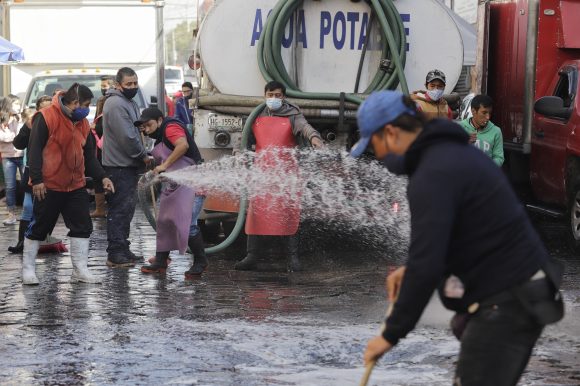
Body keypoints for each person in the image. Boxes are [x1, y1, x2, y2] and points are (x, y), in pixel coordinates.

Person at [355, 91, 564, 386]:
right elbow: (457, 238)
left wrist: (390, 335)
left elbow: (427, 263)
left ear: (390, 132)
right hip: (516, 293)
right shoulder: (450, 155)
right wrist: (410, 270)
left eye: (373, 144)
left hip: (509, 300)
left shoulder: (433, 171)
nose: (376, 155)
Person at [23, 83, 115, 285]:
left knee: (82, 226)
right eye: (86, 105)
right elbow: (34, 150)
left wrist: (102, 177)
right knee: (39, 226)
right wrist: (37, 179)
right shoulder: (46, 117)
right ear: (75, 103)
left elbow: (89, 156)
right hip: (48, 184)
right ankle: (28, 269)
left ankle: (80, 270)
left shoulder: (82, 123)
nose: (87, 109)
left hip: (75, 185)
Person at [234, 80, 324, 272]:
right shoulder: (256, 115)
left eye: (278, 95)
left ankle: (292, 258)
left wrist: (315, 138)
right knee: (256, 214)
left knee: (288, 214)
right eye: (270, 95)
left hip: (286, 174)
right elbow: (244, 140)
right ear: (264, 95)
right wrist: (238, 154)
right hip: (261, 174)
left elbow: (305, 128)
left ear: (283, 97)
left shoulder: (293, 114)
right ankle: (251, 256)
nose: (274, 98)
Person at [135, 107, 208, 279]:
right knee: (164, 220)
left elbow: (182, 146)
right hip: (175, 186)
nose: (146, 129)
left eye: (149, 125)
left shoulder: (170, 127)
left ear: (160, 120)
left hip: (192, 183)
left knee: (188, 223)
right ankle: (161, 261)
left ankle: (200, 261)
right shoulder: (160, 136)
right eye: (143, 127)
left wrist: (164, 165)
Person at [102, 67, 151, 267]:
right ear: (118, 84)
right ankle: (115, 253)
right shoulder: (115, 104)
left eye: (135, 83)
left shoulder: (127, 102)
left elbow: (132, 129)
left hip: (127, 165)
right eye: (128, 84)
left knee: (127, 210)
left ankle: (123, 247)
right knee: (119, 210)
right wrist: (142, 155)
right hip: (119, 166)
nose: (133, 87)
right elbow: (127, 137)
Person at [9, 96, 58, 254]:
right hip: (33, 171)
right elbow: (18, 143)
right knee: (28, 207)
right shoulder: (32, 123)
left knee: (50, 208)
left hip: (55, 172)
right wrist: (28, 128)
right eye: (42, 108)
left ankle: (43, 239)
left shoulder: (59, 122)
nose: (46, 112)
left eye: (49, 108)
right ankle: (22, 242)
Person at [459, 94, 504, 166]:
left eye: (490, 113)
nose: (488, 117)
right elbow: (451, 154)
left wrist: (487, 167)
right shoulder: (460, 128)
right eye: (484, 113)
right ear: (473, 111)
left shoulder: (496, 131)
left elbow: (499, 157)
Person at [0, 95, 25, 225]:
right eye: (15, 104)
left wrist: (19, 122)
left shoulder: (20, 119)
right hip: (7, 156)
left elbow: (22, 136)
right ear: (9, 105)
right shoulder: (2, 119)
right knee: (10, 187)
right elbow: (4, 138)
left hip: (21, 155)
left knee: (28, 184)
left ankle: (28, 213)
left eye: (19, 104)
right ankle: (11, 214)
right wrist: (12, 135)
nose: (18, 107)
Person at [90, 96, 107, 218]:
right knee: (99, 180)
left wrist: (94, 127)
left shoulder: (101, 119)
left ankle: (100, 209)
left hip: (102, 154)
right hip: (103, 153)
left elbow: (101, 129)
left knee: (99, 180)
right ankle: (100, 208)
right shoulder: (106, 117)